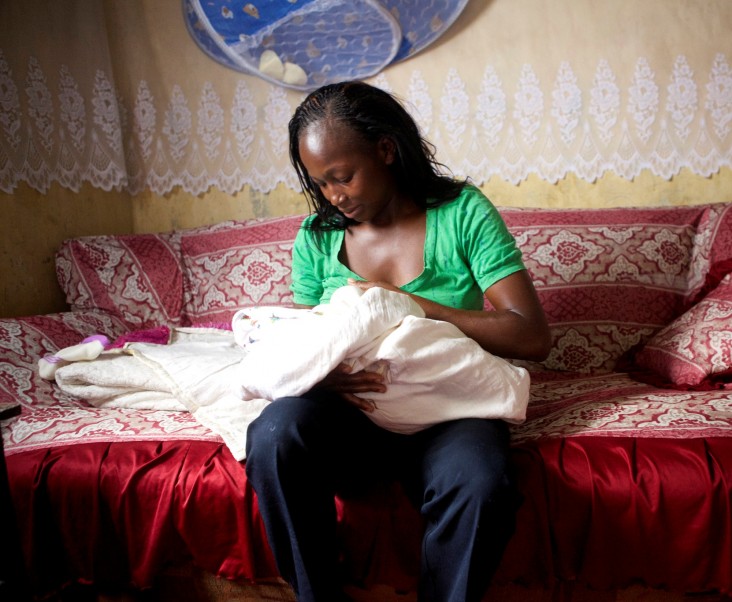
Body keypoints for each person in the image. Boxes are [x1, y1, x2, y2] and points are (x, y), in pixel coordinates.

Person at [245, 81, 551, 602]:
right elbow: (304, 340)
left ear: (386, 150)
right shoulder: (318, 236)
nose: (333, 196)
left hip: (449, 411)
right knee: (274, 434)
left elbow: (531, 334)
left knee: (481, 482)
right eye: (320, 184)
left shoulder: (462, 212)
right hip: (352, 415)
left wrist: (410, 304)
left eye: (343, 177)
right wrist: (323, 371)